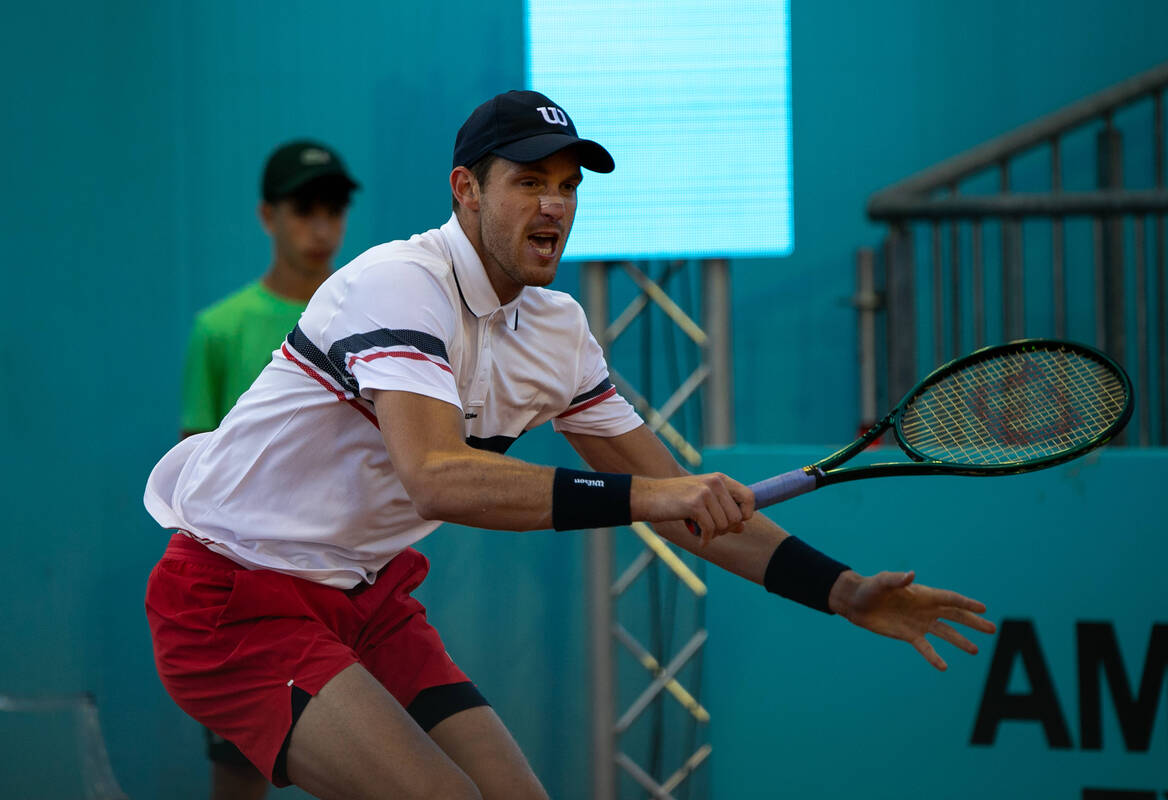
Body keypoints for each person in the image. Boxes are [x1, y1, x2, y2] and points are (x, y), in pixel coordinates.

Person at [144, 90, 995, 800]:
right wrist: (656, 498)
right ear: (466, 191)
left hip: (366, 597)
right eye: (528, 182)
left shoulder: (557, 331)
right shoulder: (395, 283)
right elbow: (436, 478)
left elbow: (684, 500)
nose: (554, 204)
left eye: (567, 186)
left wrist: (843, 592)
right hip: (231, 596)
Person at [177, 139, 358, 798]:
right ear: (267, 216)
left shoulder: (369, 322)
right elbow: (193, 483)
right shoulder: (219, 330)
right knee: (240, 779)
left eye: (333, 209)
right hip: (246, 601)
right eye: (303, 209)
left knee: (380, 768)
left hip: (345, 588)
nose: (321, 228)